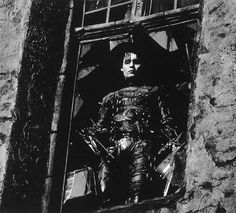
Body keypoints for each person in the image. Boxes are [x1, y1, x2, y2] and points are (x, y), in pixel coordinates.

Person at [80, 42, 182, 206]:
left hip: (142, 146)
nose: (132, 66)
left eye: (136, 62)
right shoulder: (110, 98)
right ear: (121, 67)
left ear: (142, 65)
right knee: (106, 190)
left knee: (138, 191)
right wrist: (92, 135)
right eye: (127, 62)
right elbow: (99, 126)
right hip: (115, 148)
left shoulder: (154, 92)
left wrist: (172, 140)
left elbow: (166, 120)